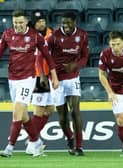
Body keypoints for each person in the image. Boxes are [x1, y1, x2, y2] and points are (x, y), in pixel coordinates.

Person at [0, 9, 59, 157]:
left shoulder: (35, 37)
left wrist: (54, 76)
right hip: (12, 78)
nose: (18, 25)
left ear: (26, 22)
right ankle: (36, 140)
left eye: (20, 22)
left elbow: (48, 57)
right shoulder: (7, 34)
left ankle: (10, 147)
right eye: (15, 23)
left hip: (28, 79)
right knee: (24, 115)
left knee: (18, 110)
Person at [47, 12, 89, 156]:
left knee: (75, 111)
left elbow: (84, 56)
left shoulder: (82, 35)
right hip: (57, 79)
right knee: (63, 117)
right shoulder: (54, 37)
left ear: (74, 22)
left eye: (68, 23)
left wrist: (75, 65)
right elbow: (44, 56)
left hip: (73, 77)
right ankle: (70, 137)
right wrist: (47, 75)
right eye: (63, 23)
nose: (65, 26)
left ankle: (79, 146)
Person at [25, 10, 56, 155]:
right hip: (38, 77)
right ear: (33, 24)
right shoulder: (30, 37)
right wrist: (41, 75)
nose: (41, 23)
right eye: (38, 22)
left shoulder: (52, 34)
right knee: (38, 111)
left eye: (43, 21)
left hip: (50, 76)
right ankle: (32, 144)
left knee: (50, 109)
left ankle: (33, 139)